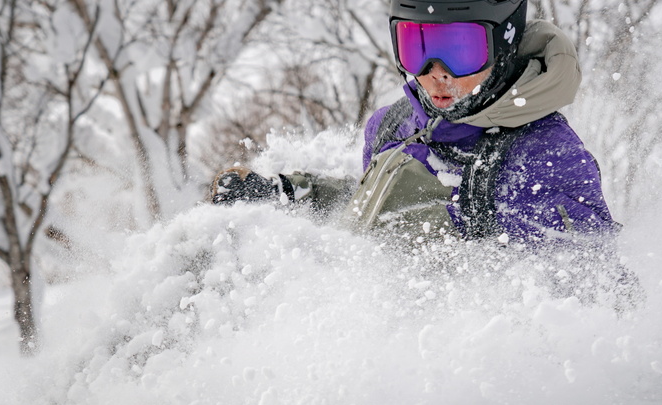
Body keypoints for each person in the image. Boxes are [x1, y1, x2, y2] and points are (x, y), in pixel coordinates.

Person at [211, 0, 639, 309]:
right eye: (417, 46)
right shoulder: (394, 122)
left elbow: (596, 296)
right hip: (352, 345)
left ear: (503, 42)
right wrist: (290, 193)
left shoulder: (545, 156)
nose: (437, 74)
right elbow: (370, 218)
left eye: (460, 50)